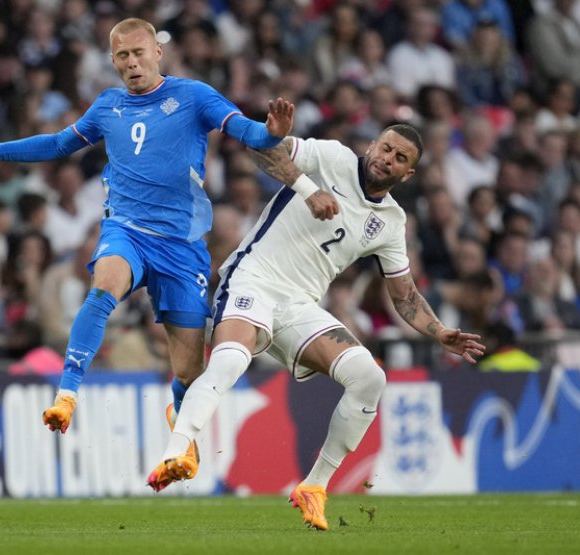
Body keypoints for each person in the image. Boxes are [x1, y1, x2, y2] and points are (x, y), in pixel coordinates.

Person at [0, 17, 294, 438]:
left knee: (189, 371)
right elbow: (61, 143)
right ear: (113, 60)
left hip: (181, 245)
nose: (132, 63)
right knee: (104, 286)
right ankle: (67, 395)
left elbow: (243, 130)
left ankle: (182, 431)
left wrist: (268, 132)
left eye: (138, 53)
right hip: (126, 229)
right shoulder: (107, 105)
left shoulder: (193, 95)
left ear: (157, 53)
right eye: (122, 56)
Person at [146, 124, 485, 531]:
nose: (387, 159)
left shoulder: (392, 221)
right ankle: (177, 450)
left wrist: (438, 331)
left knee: (369, 378)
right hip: (253, 278)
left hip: (299, 306)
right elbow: (262, 150)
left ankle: (315, 486)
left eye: (400, 159)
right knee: (230, 360)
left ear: (407, 174)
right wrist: (308, 189)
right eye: (386, 148)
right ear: (373, 144)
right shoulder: (333, 157)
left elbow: (404, 296)